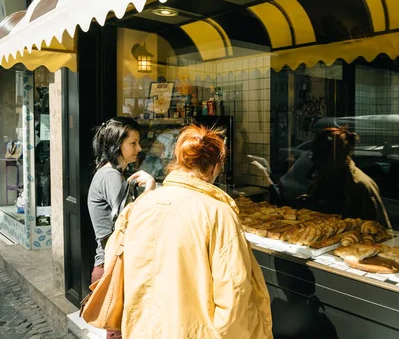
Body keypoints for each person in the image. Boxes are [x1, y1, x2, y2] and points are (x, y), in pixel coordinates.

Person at [121, 125, 273, 338]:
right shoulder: (218, 213)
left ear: (179, 160)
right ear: (214, 167)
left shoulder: (141, 205)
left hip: (143, 330)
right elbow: (234, 295)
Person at [87, 117, 156, 339]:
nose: (139, 148)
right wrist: (151, 189)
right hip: (112, 267)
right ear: (117, 144)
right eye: (133, 143)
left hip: (111, 264)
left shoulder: (113, 173)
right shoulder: (110, 175)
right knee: (119, 332)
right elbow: (130, 221)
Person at [305, 126, 391, 228]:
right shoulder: (325, 178)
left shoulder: (360, 186)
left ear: (336, 158)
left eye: (321, 159)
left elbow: (379, 230)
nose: (317, 163)